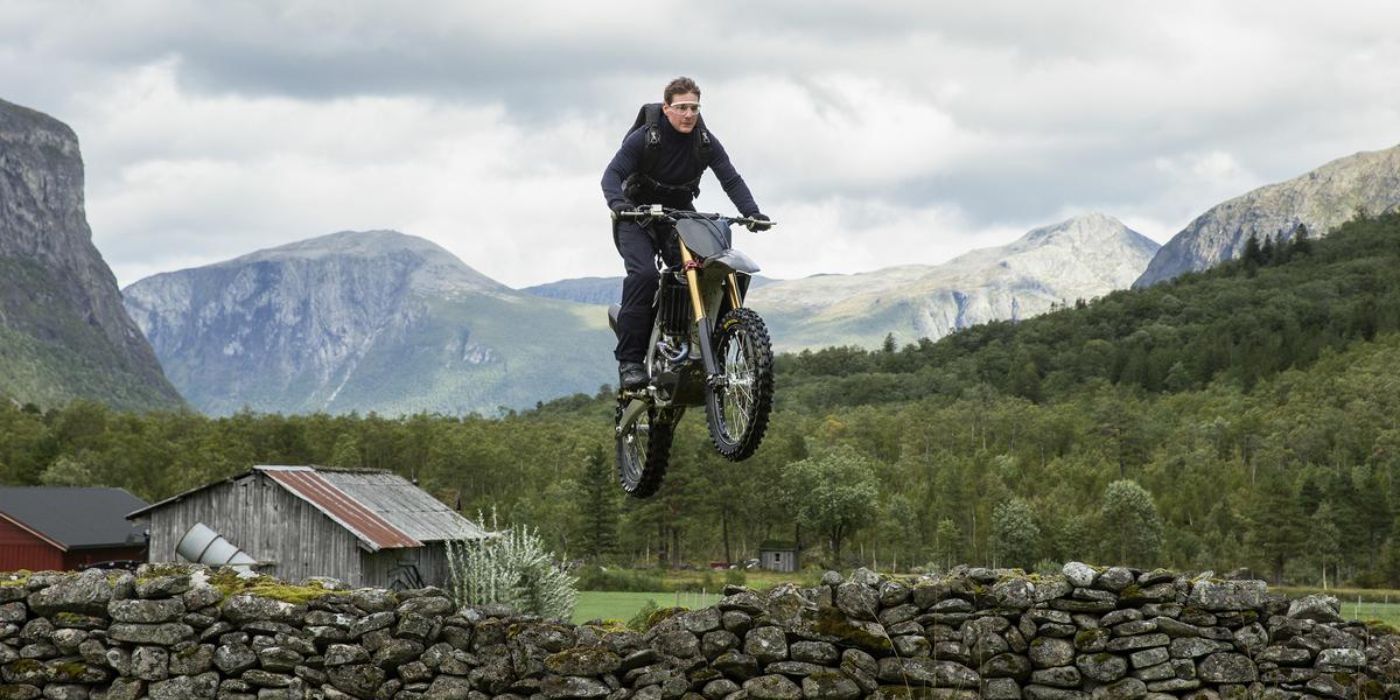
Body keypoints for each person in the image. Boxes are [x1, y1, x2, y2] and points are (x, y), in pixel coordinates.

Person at [601, 76, 770, 390]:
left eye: (694, 107)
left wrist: (752, 212)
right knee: (644, 276)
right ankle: (631, 362)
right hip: (636, 213)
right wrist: (620, 204)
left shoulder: (704, 142)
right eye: (681, 107)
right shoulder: (644, 138)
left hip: (678, 213)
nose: (688, 114)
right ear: (667, 108)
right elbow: (611, 175)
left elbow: (730, 178)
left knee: (703, 270)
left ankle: (696, 343)